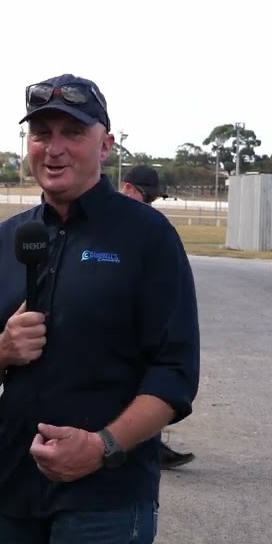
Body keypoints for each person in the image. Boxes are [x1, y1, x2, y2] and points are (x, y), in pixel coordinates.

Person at [0, 74, 200, 544]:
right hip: (13, 490)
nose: (55, 148)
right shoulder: (9, 238)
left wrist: (101, 447)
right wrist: (1, 348)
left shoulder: (147, 237)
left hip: (105, 498)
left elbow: (175, 373)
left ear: (105, 145)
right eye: (42, 133)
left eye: (73, 133)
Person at [121, 164, 196, 471]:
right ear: (127, 188)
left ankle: (149, 441)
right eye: (146, 196)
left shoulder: (149, 227)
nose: (150, 204)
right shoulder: (109, 222)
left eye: (153, 199)